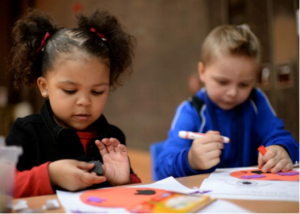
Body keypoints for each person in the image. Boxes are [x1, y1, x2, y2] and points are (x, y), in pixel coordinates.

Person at [5, 9, 141, 198]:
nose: (84, 102)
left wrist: (124, 181)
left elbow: (137, 194)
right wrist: (50, 175)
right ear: (44, 86)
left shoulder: (112, 137)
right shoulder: (27, 131)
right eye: (70, 90)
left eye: (97, 91)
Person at [156, 25, 300, 179]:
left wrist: (281, 149)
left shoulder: (256, 101)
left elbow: (280, 137)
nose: (233, 93)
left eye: (244, 84)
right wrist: (190, 160)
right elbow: (163, 167)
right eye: (223, 82)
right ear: (202, 72)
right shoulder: (191, 110)